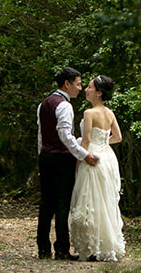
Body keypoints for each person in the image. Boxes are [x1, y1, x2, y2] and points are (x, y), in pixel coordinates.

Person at [37, 66, 98, 260]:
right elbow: (65, 135)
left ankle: (43, 248)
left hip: (46, 157)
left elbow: (41, 134)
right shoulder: (64, 105)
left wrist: (42, 153)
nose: (80, 88)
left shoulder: (44, 103)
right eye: (78, 84)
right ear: (67, 83)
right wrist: (83, 154)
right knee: (63, 204)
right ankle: (62, 249)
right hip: (61, 159)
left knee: (46, 204)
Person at [69, 74, 126, 262]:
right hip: (107, 158)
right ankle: (106, 245)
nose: (86, 89)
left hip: (92, 156)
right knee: (105, 201)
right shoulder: (109, 113)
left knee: (90, 201)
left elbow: (85, 141)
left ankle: (92, 246)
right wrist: (103, 143)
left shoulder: (89, 113)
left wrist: (79, 161)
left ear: (99, 93)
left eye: (90, 87)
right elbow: (117, 137)